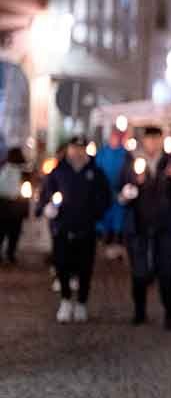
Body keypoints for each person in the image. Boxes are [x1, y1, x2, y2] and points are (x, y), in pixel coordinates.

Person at [118, 125, 171, 330]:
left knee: (166, 271)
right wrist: (130, 190)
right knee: (139, 271)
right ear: (143, 141)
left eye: (156, 139)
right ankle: (139, 311)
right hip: (139, 226)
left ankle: (170, 313)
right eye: (149, 139)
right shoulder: (131, 162)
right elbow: (122, 190)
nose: (152, 143)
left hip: (165, 226)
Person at [36, 137, 111, 323]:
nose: (77, 152)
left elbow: (105, 198)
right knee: (61, 265)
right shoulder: (58, 172)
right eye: (74, 148)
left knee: (85, 267)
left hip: (86, 229)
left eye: (81, 148)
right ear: (68, 150)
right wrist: (47, 208)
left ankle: (82, 303)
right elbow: (45, 194)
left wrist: (94, 213)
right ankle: (65, 299)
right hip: (62, 228)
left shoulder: (95, 172)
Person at [95, 129, 129, 258]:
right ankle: (108, 241)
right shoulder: (102, 153)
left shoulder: (124, 154)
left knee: (119, 218)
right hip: (106, 192)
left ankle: (119, 243)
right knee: (107, 218)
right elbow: (98, 170)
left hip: (119, 192)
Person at [0, 147, 29, 265]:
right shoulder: (24, 171)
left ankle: (6, 255)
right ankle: (10, 255)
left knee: (3, 232)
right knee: (14, 233)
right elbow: (27, 192)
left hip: (4, 205)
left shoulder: (3, 168)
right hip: (16, 206)